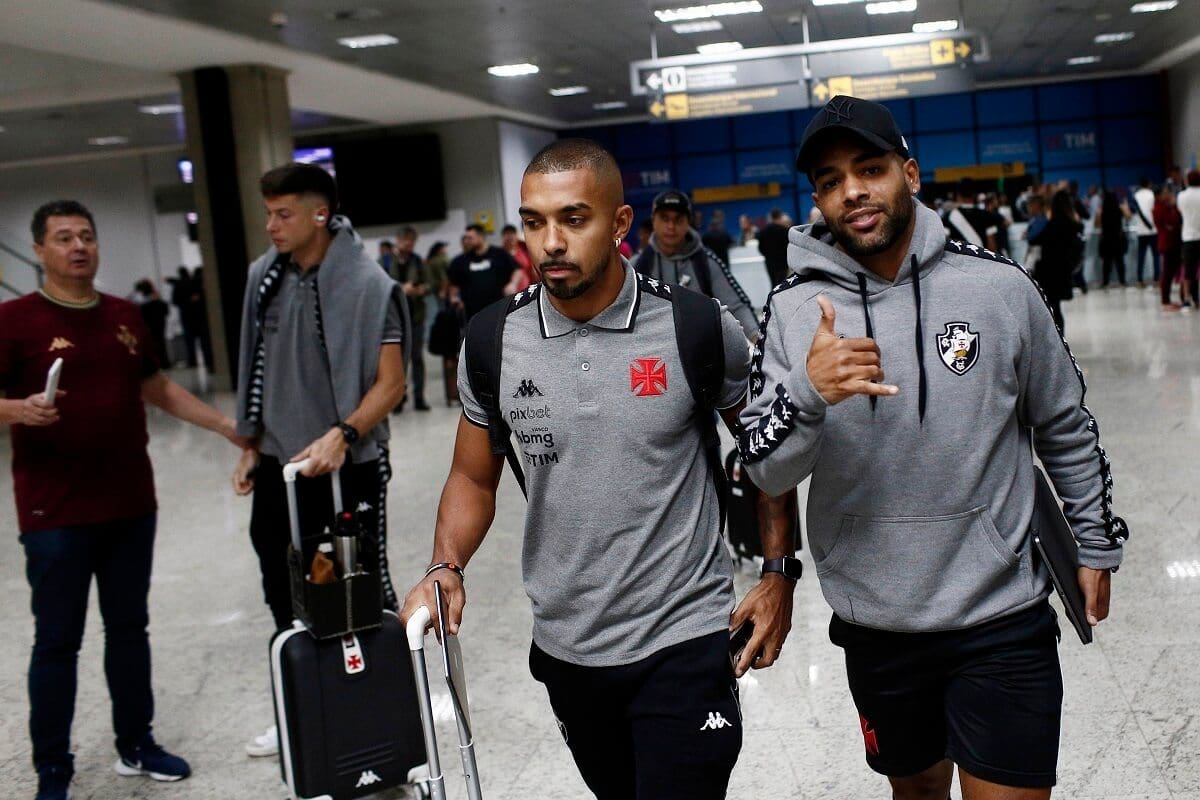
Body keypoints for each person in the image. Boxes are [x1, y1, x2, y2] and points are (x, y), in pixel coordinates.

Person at [738, 96, 1129, 800]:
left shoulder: (999, 289)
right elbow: (766, 469)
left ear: (910, 174)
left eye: (869, 168)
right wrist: (808, 391)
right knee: (915, 795)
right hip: (878, 625)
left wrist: (1096, 545)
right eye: (829, 180)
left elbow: (1065, 423)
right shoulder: (797, 312)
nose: (851, 190)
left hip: (1002, 613)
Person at [400, 138, 798, 800]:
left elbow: (764, 451)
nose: (550, 241)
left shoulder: (695, 327)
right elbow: (473, 477)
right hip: (569, 643)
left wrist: (780, 573)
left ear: (619, 225)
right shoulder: (493, 342)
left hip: (686, 635)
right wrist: (446, 565)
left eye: (573, 219)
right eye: (533, 222)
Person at [0, 200, 248, 800]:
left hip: (130, 503)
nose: (78, 246)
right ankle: (52, 768)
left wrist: (224, 426)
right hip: (54, 511)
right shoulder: (15, 320)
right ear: (39, 250)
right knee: (58, 640)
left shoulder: (123, 315)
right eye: (63, 238)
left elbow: (156, 387)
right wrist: (14, 409)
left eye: (86, 235)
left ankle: (136, 743)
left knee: (129, 629)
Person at [230, 163, 408, 758]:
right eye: (268, 214)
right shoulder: (264, 278)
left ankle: (377, 715)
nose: (271, 226)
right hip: (279, 473)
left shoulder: (368, 285)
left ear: (319, 214)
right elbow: (255, 368)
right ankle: (300, 709)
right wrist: (251, 444)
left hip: (344, 471)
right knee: (283, 593)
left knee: (354, 596)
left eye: (283, 214)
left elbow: (391, 384)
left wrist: (344, 433)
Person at [637, 189, 759, 339]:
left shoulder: (705, 263)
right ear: (653, 221)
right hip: (651, 357)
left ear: (688, 222)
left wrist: (758, 340)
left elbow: (736, 305)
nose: (671, 226)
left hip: (701, 356)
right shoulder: (636, 266)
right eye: (664, 218)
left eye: (678, 219)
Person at [1028, 190, 1084, 332]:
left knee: (1052, 308)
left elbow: (1034, 239)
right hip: (1064, 270)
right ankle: (1060, 340)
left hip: (1049, 272)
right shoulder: (1072, 223)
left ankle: (1057, 342)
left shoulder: (1053, 224)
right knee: (1056, 307)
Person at [447, 224, 519, 321]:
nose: (466, 241)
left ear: (480, 237)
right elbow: (454, 283)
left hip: (499, 308)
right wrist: (454, 297)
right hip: (473, 312)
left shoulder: (499, 254)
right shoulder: (460, 261)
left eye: (470, 238)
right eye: (466, 238)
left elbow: (517, 270)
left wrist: (513, 283)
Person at [394, 227, 431, 412]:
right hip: (393, 319)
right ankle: (398, 398)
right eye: (406, 240)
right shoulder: (385, 261)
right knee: (397, 361)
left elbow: (430, 285)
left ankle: (419, 398)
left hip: (415, 317)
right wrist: (401, 288)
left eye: (412, 241)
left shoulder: (418, 261)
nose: (409, 244)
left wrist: (418, 290)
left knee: (417, 358)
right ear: (398, 240)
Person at [1154, 186, 1184, 311]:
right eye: (1165, 193)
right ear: (1159, 196)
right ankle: (1165, 301)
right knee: (1167, 273)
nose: (1169, 195)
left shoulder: (1169, 207)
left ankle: (1184, 297)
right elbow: (1171, 223)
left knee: (1181, 271)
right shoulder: (1159, 209)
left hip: (1176, 243)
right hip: (1168, 244)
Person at [133, 279, 171, 368]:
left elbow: (141, 312)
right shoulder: (156, 297)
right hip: (160, 322)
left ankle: (157, 363)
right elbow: (165, 309)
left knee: (153, 344)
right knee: (161, 342)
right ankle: (164, 362)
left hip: (150, 324)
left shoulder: (142, 301)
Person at [1129, 177, 1159, 289]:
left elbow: (1133, 211)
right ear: (1149, 184)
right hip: (1153, 229)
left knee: (1141, 256)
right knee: (1156, 256)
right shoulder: (1152, 194)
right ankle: (1156, 279)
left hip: (1141, 231)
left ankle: (1140, 280)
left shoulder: (1135, 196)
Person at [1099, 190, 1131, 288]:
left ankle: (1105, 282)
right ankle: (1122, 281)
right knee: (1120, 261)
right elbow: (1129, 216)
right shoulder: (1119, 209)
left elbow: (1097, 224)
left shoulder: (1103, 210)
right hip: (1117, 238)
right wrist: (1125, 206)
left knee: (1106, 263)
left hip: (1106, 239)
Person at [1178, 170, 1200, 309]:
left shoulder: (1182, 196)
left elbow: (1181, 212)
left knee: (1188, 271)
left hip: (1188, 237)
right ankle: (1197, 300)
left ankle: (1187, 299)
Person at [758, 208, 790, 287]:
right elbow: (788, 246)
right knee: (782, 284)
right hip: (782, 263)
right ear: (780, 216)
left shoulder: (763, 231)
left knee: (773, 284)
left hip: (770, 263)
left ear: (771, 217)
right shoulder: (784, 230)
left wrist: (767, 256)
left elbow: (760, 247)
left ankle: (773, 298)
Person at [501, 223, 537, 293]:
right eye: (507, 235)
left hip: (529, 288)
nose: (510, 237)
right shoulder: (501, 254)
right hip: (511, 292)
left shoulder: (524, 248)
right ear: (503, 237)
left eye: (512, 234)